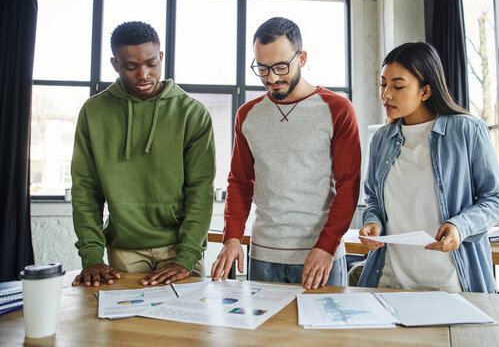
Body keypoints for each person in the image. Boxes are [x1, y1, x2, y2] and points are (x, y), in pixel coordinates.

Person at [210, 17, 361, 289]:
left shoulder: (337, 109)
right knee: (266, 333)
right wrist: (232, 237)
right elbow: (240, 182)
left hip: (320, 255)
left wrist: (327, 246)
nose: (272, 78)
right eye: (262, 68)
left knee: (323, 332)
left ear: (301, 58)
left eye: (281, 67)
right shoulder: (248, 115)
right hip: (263, 256)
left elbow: (348, 184)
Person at [71, 21, 215, 287]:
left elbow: (200, 190)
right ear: (115, 64)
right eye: (131, 66)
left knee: (183, 328)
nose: (144, 74)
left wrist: (187, 256)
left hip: (180, 248)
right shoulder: (94, 112)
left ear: (161, 57)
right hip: (124, 249)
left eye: (151, 63)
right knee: (125, 328)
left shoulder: (192, 113)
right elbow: (85, 189)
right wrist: (91, 255)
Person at [357, 42, 499, 293]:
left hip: (452, 282)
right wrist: (373, 222)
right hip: (389, 279)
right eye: (383, 84)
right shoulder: (381, 139)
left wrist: (461, 227)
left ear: (425, 91)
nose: (386, 95)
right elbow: (373, 198)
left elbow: (495, 199)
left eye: (398, 86)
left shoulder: (466, 130)